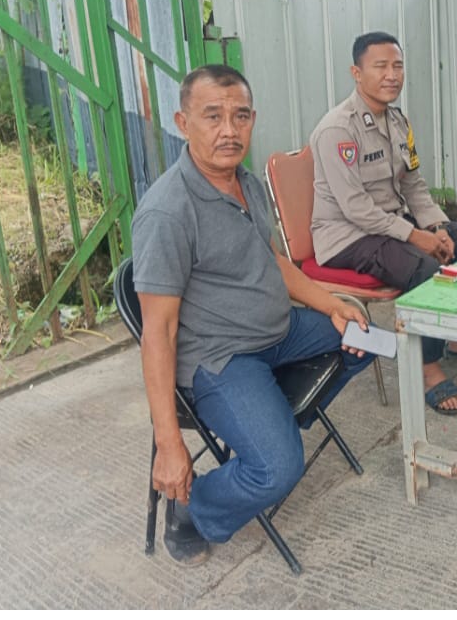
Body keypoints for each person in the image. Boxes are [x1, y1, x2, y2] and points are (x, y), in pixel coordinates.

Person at [132, 65, 374, 565]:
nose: (229, 130)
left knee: (365, 336)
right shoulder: (167, 213)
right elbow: (158, 332)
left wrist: (332, 303)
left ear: (253, 119)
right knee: (277, 470)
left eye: (240, 116)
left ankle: (273, 421)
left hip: (278, 332)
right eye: (212, 117)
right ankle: (195, 508)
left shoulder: (246, 181)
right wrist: (169, 443)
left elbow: (272, 261)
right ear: (183, 122)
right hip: (221, 359)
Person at [310, 31, 457, 417]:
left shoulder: (398, 122)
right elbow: (355, 208)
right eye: (380, 66)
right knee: (425, 269)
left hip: (389, 225)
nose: (392, 75)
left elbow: (414, 185)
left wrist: (436, 228)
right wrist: (415, 236)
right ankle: (427, 369)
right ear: (356, 73)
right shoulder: (338, 130)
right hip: (346, 236)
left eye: (397, 66)